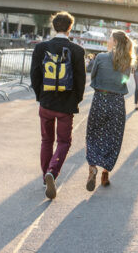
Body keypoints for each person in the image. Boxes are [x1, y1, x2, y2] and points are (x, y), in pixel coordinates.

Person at [30, 11, 86, 200]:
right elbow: (80, 80)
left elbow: (35, 75)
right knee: (64, 142)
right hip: (66, 105)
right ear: (70, 28)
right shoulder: (77, 50)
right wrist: (75, 100)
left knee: (46, 140)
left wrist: (40, 96)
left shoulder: (40, 48)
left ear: (54, 27)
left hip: (46, 102)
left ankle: (46, 175)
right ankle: (52, 172)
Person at [85, 30, 133, 191]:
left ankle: (92, 168)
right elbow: (124, 80)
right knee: (113, 138)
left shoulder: (100, 57)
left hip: (100, 100)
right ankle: (106, 172)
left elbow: (93, 76)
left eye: (110, 39)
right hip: (117, 102)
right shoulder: (127, 60)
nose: (108, 41)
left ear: (116, 42)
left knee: (93, 135)